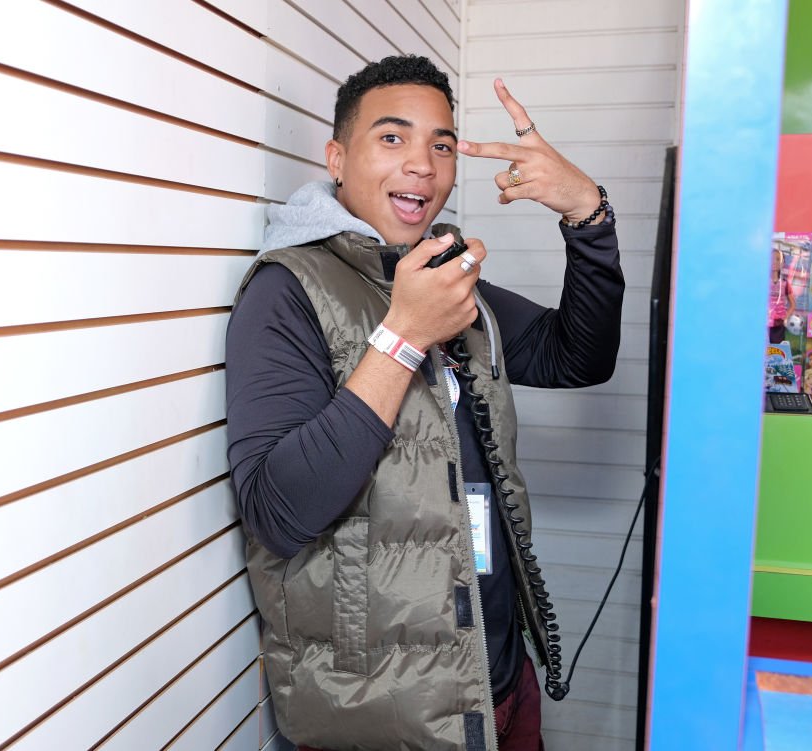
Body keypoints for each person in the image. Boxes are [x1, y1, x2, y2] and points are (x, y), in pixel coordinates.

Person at [225, 55, 624, 751]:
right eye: (392, 138)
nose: (423, 164)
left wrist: (586, 214)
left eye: (441, 145)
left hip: (493, 687)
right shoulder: (286, 291)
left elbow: (575, 356)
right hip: (381, 720)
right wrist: (404, 335)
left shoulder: (440, 275)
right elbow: (279, 510)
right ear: (337, 157)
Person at [767, 248, 796, 343]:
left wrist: (785, 317)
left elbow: (793, 304)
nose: (774, 262)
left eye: (778, 259)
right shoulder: (762, 283)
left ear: (782, 263)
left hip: (779, 323)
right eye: (770, 259)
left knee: (777, 350)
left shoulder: (785, 284)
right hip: (764, 323)